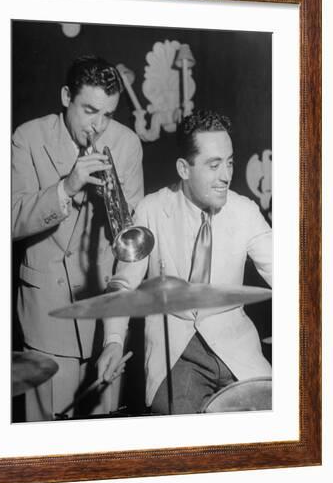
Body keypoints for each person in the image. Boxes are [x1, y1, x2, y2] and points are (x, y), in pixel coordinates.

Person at [97, 110, 272, 414]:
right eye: (214, 165)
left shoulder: (245, 211)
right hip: (176, 355)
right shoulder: (151, 210)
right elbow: (123, 284)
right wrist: (112, 341)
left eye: (229, 162)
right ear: (184, 168)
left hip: (237, 349)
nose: (226, 176)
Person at [12, 55, 144, 421]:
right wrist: (66, 187)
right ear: (67, 96)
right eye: (90, 111)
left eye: (108, 115)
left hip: (103, 316)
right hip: (45, 317)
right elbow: (8, 220)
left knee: (99, 443)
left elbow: (129, 242)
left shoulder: (128, 144)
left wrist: (116, 334)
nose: (99, 126)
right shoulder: (28, 138)